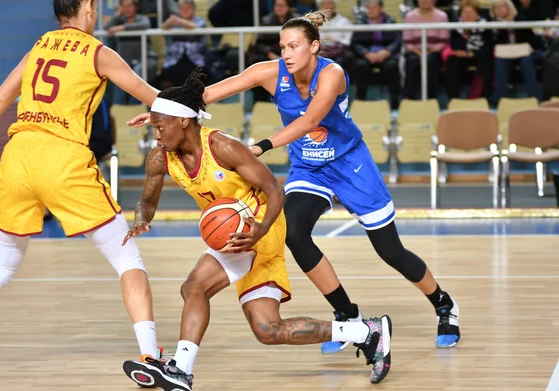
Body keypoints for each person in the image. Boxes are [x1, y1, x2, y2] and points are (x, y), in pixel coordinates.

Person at [128, 11, 461, 353]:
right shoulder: (269, 73)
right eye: (282, 46)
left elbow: (310, 120)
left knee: (390, 251)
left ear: (314, 47)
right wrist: (160, 112)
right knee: (294, 233)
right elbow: (202, 95)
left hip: (350, 163)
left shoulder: (332, 74)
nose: (286, 53)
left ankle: (443, 304)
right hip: (309, 167)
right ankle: (348, 315)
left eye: (294, 46)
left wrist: (259, 146)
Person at [121, 69, 392, 391]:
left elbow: (274, 189)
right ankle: (365, 332)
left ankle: (182, 368)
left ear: (183, 122)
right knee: (267, 329)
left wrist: (261, 229)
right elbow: (147, 201)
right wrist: (140, 219)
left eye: (161, 125)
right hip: (237, 233)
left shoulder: (224, 147)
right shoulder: (160, 158)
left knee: (195, 286)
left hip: (259, 225)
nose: (157, 134)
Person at [0, 0, 163, 367]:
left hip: (18, 156)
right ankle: (151, 355)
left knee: (1, 266)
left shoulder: (40, 45)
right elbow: (153, 97)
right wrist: (182, 108)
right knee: (126, 258)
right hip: (62, 158)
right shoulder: (98, 52)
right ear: (87, 6)